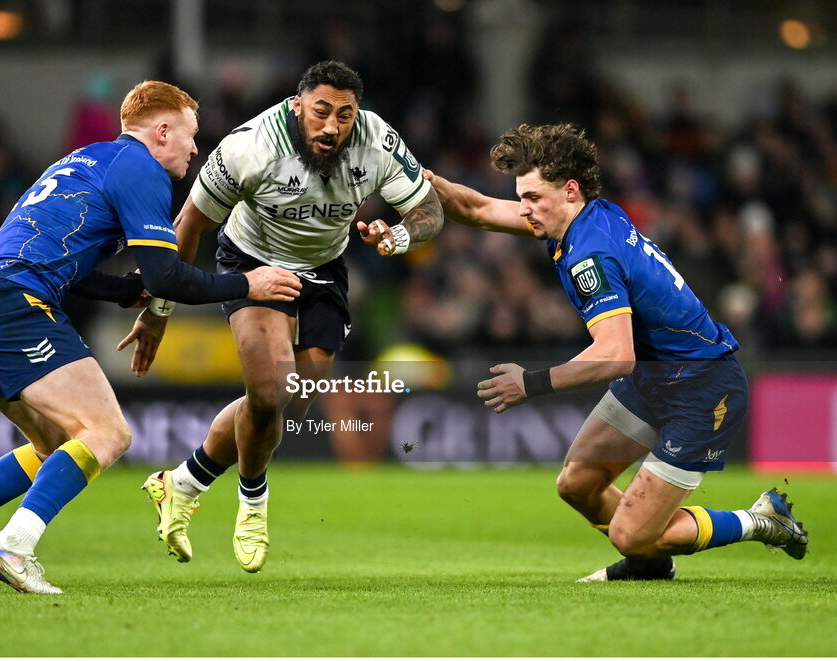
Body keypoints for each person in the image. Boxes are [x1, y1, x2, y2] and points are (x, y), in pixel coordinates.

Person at [0, 80, 301, 594]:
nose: (196, 148)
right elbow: (168, 276)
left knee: (52, 445)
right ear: (161, 132)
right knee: (108, 433)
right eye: (191, 135)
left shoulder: (82, 159)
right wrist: (250, 282)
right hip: (15, 307)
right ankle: (14, 546)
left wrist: (120, 291)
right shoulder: (143, 170)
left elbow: (60, 259)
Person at [425, 123, 808, 581]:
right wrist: (423, 182)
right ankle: (650, 567)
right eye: (521, 197)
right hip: (654, 378)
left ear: (569, 191)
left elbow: (614, 355)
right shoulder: (591, 213)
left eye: (532, 198)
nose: (524, 210)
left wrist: (530, 383)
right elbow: (481, 208)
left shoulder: (591, 254)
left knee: (631, 533)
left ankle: (762, 519)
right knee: (578, 485)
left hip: (702, 388)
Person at [122, 61, 444, 572]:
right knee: (270, 390)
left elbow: (429, 208)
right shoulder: (250, 148)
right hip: (254, 263)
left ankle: (181, 483)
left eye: (344, 115)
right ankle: (252, 504)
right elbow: (190, 224)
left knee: (286, 401)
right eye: (321, 112)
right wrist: (159, 310)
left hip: (324, 268)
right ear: (299, 107)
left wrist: (400, 235)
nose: (332, 126)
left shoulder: (377, 140)